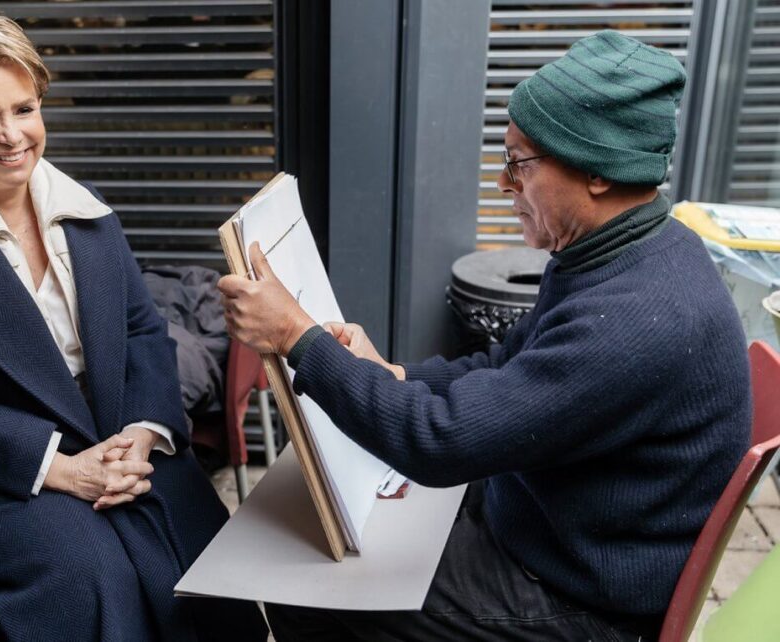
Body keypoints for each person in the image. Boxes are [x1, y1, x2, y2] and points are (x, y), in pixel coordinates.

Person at [219, 30, 750, 641]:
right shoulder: (622, 252)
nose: (503, 182)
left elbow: (442, 444)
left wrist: (296, 336)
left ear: (596, 173)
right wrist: (396, 376)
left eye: (519, 163)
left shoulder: (636, 319)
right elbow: (510, 363)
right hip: (558, 534)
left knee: (302, 592)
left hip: (583, 601)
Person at [0, 16, 266, 642]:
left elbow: (141, 332)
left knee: (197, 560)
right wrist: (62, 469)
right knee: (90, 573)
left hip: (109, 428)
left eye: (24, 108)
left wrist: (143, 430)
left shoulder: (85, 211)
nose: (11, 135)